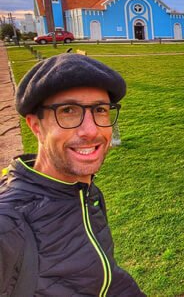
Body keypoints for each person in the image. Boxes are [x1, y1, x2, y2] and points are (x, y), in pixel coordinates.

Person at [0, 53, 145, 296]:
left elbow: (103, 280)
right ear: (35, 125)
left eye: (100, 110)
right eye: (68, 110)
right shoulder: (8, 225)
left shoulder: (82, 191)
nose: (91, 130)